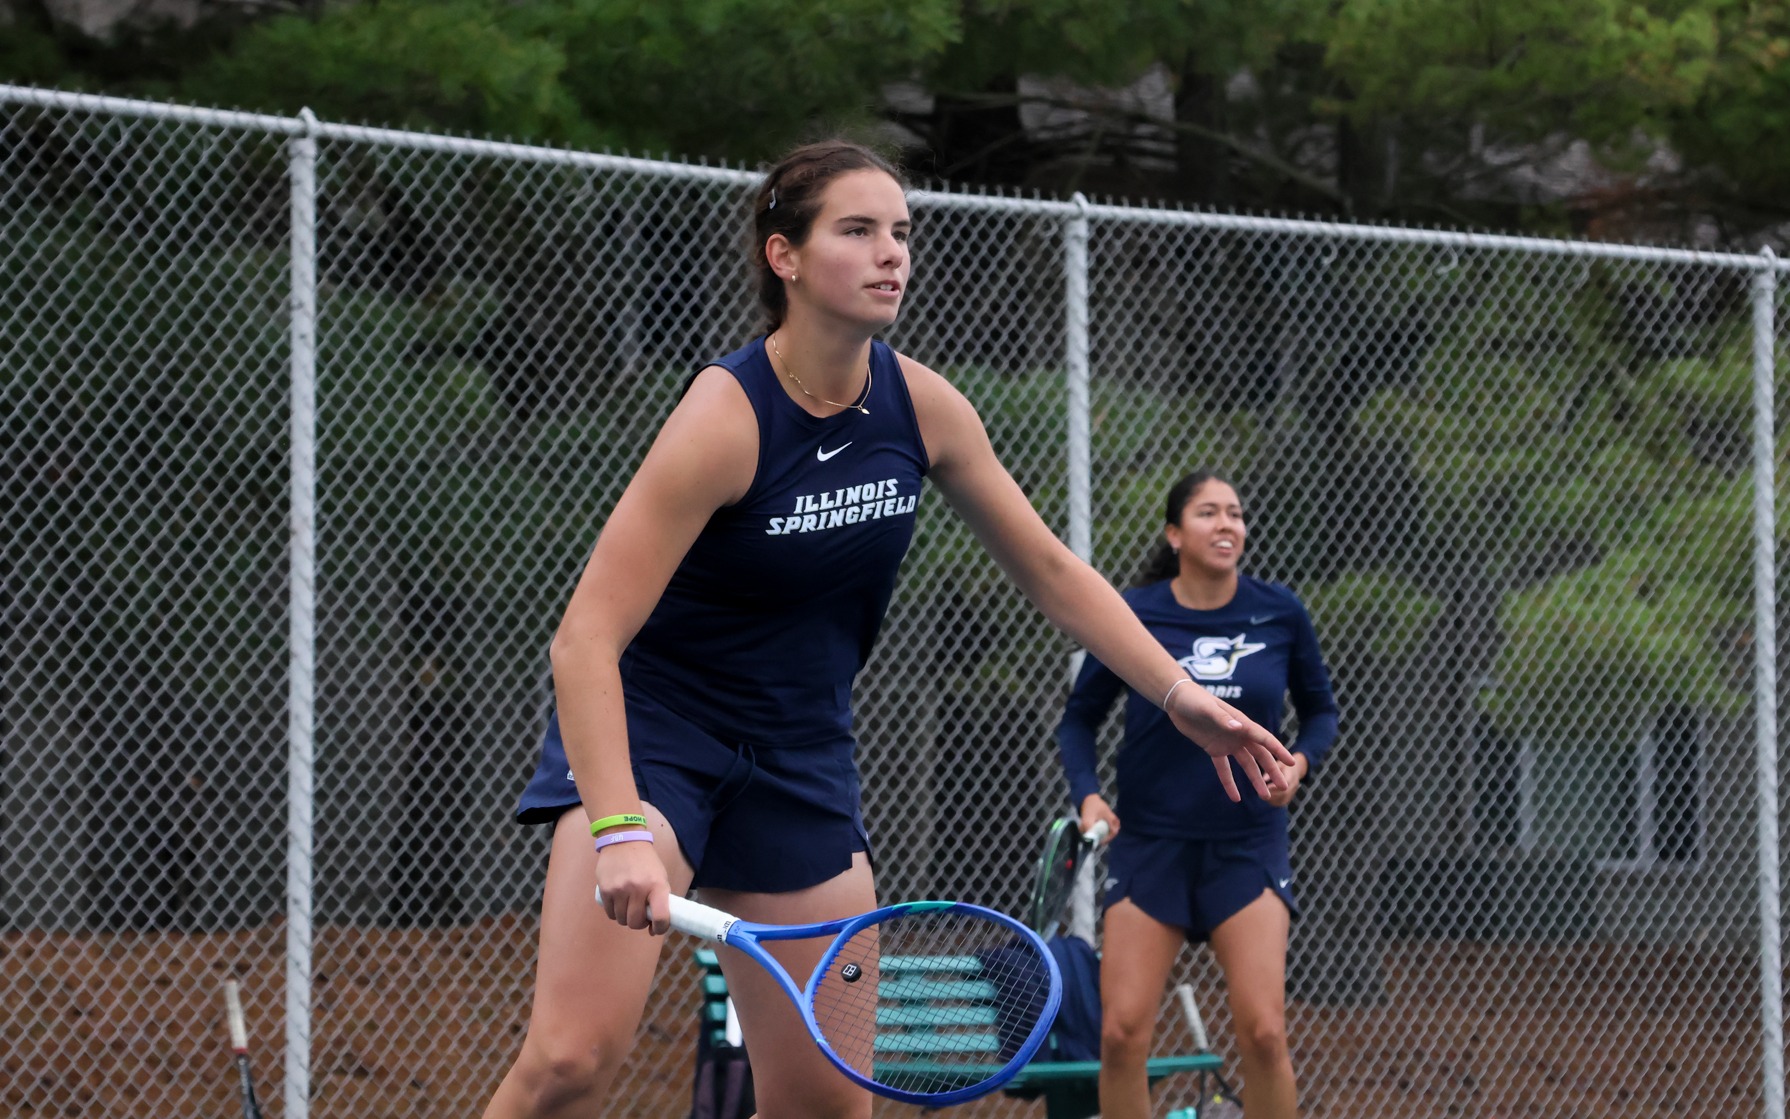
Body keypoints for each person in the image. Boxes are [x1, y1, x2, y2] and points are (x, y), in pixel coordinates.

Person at [482, 142, 1296, 1119]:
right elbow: (582, 642)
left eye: (901, 233)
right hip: (657, 745)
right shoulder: (725, 416)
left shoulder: (919, 407)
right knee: (572, 1059)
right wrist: (616, 829)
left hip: (798, 762)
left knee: (828, 1107)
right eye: (857, 231)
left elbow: (1048, 569)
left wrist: (1180, 695)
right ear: (784, 257)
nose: (891, 255)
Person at [1056, 470, 1338, 1119]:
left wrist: (1299, 762)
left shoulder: (1280, 610)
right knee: (1122, 1034)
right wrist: (1088, 797)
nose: (1227, 524)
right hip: (1150, 845)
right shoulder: (1135, 612)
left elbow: (1322, 711)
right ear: (1174, 532)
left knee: (1264, 1032)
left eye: (1236, 513)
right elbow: (1078, 719)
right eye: (1208, 512)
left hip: (1247, 846)